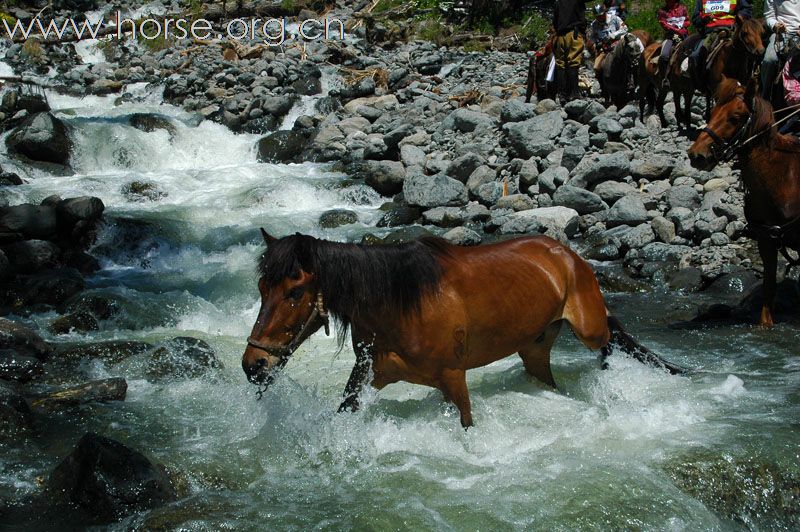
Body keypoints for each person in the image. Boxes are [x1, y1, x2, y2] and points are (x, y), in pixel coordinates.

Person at [690, 0, 752, 72]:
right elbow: (695, 19)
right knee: (695, 55)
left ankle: (752, 76)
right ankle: (698, 81)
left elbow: (747, 9)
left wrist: (741, 16)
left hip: (732, 31)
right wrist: (703, 20)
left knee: (750, 50)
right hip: (710, 33)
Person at [761, 1, 800, 99]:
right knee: (769, 60)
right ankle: (765, 96)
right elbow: (769, 16)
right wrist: (775, 25)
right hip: (781, 33)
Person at [553, 0, 589, 102]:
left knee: (561, 64)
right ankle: (574, 93)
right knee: (573, 62)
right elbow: (582, 16)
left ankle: (562, 94)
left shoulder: (558, 2)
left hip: (560, 35)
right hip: (574, 34)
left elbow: (555, 21)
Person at [590, 4, 628, 73]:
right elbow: (592, 37)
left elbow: (624, 28)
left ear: (605, 12)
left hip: (618, 44)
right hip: (604, 49)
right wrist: (595, 43)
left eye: (601, 15)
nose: (600, 18)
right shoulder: (594, 24)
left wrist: (613, 35)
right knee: (596, 67)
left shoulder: (615, 18)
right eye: (598, 16)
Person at [657, 0, 690, 75]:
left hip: (685, 35)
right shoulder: (662, 11)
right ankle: (664, 77)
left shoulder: (683, 8)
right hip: (670, 37)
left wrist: (682, 27)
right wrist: (676, 30)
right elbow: (664, 24)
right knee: (664, 55)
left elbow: (687, 21)